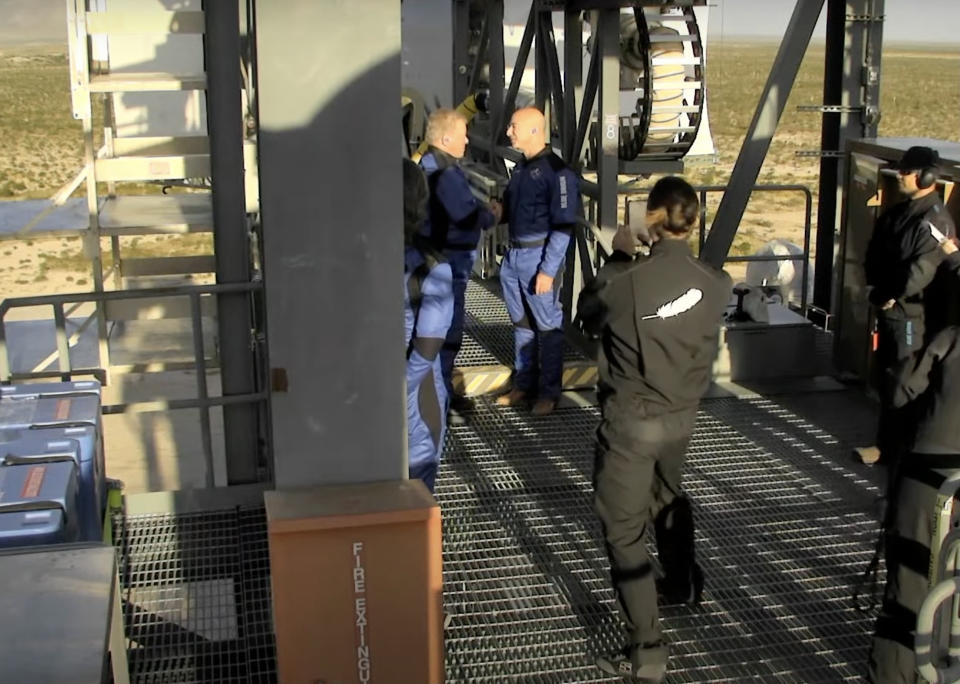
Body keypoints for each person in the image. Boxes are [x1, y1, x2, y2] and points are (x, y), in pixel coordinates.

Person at [578, 176, 731, 682]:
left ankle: (646, 652)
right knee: (668, 497)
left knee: (624, 530)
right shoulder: (716, 283)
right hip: (682, 420)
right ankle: (683, 583)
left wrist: (620, 256)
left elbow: (589, 317)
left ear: (657, 218)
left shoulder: (626, 283)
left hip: (632, 425)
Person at [858, 145, 956, 466]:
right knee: (888, 379)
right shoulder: (899, 212)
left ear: (926, 176)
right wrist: (875, 289)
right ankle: (886, 446)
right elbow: (874, 252)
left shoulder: (934, 221)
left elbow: (918, 273)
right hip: (890, 311)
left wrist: (890, 294)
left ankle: (901, 451)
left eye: (907, 171)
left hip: (912, 315)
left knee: (904, 382)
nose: (900, 176)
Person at [495, 107, 581, 416]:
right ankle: (524, 385)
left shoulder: (558, 173)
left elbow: (562, 225)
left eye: (513, 126)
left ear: (534, 130)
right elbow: (510, 205)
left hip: (538, 259)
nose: (508, 131)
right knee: (522, 326)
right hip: (514, 256)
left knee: (547, 328)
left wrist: (547, 270)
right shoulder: (521, 167)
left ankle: (548, 394)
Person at [419, 109, 499, 410]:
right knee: (446, 336)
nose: (467, 139)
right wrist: (490, 215)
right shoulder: (447, 175)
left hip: (431, 263)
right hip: (449, 266)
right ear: (446, 138)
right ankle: (440, 403)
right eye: (463, 133)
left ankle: (436, 397)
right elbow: (465, 216)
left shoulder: (426, 167)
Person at [403, 157, 453, 493]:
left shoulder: (355, 258)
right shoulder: (432, 267)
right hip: (414, 401)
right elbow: (427, 349)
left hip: (369, 397)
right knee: (415, 506)